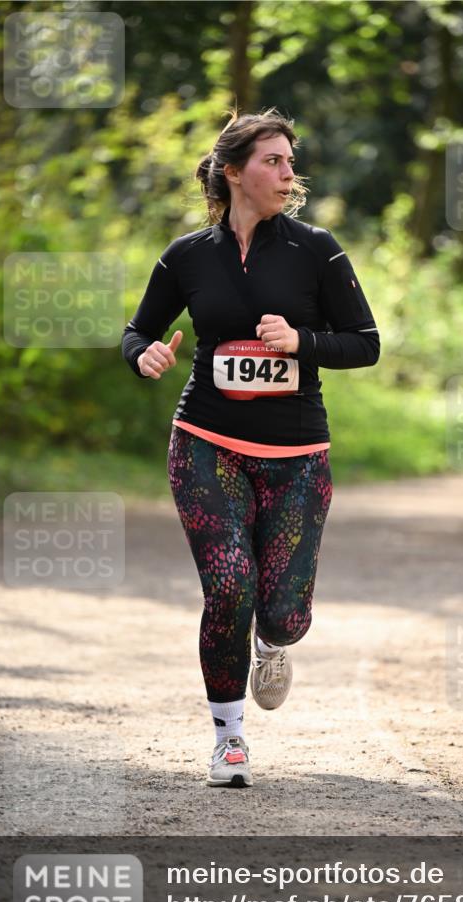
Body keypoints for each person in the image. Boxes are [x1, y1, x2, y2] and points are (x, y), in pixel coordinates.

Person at [121, 108, 380, 787]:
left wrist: (302, 342)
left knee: (285, 613)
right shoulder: (187, 256)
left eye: (291, 161)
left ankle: (273, 641)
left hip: (297, 455)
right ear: (234, 171)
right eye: (274, 161)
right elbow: (137, 330)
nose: (289, 173)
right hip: (205, 443)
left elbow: (366, 343)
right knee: (229, 586)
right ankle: (228, 739)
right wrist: (143, 355)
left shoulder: (316, 250)